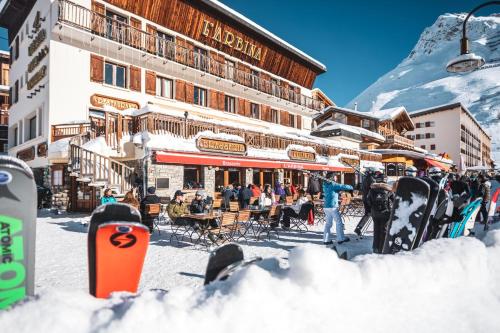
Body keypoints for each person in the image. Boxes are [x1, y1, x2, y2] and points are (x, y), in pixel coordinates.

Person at [322, 172, 353, 245]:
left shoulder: (325, 185)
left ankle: (326, 240)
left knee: (328, 224)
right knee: (339, 222)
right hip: (333, 207)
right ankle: (340, 238)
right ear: (332, 177)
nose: (336, 178)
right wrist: (351, 186)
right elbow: (344, 186)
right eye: (335, 176)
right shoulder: (333, 184)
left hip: (326, 206)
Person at [366, 173, 394, 253]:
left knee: (376, 230)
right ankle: (382, 249)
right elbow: (394, 200)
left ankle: (375, 248)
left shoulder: (372, 189)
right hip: (385, 212)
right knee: (384, 231)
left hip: (375, 213)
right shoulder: (388, 189)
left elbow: (368, 201)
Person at [354, 168, 376, 236]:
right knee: (374, 214)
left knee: (368, 214)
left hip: (365, 198)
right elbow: (374, 188)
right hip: (370, 199)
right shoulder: (371, 179)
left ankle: (359, 227)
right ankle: (377, 230)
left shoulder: (365, 178)